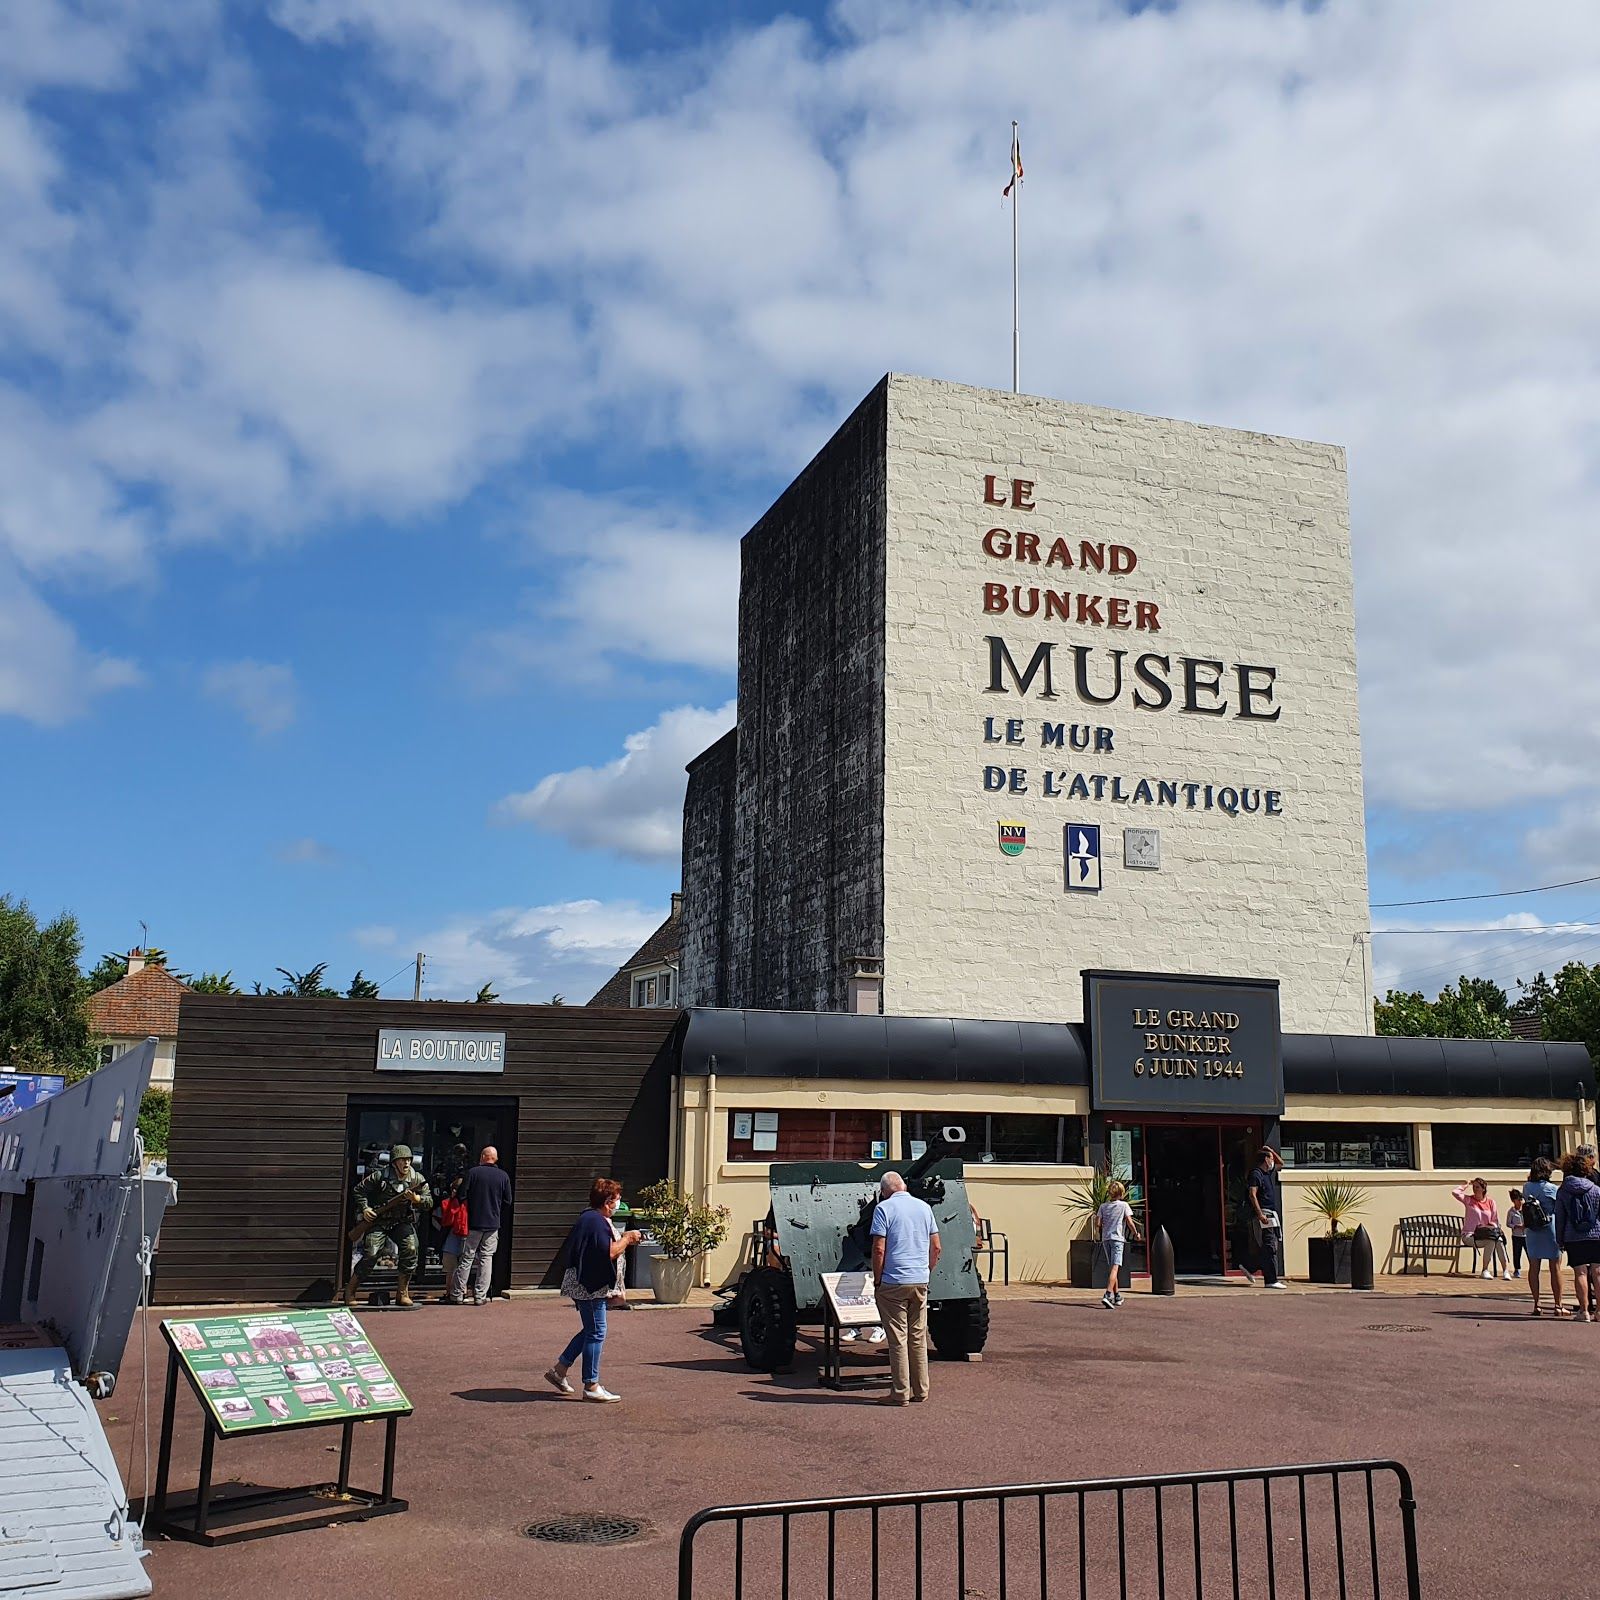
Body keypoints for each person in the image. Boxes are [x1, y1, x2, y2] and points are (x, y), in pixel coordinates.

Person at [546, 1178, 640, 1402]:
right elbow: (607, 1252)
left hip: (587, 1283)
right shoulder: (596, 1221)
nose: (619, 1203)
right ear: (608, 1201)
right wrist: (627, 1238)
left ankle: (559, 1371)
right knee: (597, 1331)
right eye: (617, 1199)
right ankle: (591, 1384)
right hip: (590, 1285)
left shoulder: (590, 1218)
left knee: (590, 1330)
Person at [870, 1171, 941, 1406]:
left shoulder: (883, 1209)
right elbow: (936, 1247)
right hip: (920, 1280)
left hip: (893, 1282)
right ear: (903, 1186)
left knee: (897, 1339)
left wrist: (877, 1280)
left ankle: (900, 1393)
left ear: (884, 1191)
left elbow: (879, 1249)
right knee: (918, 1336)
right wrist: (926, 1271)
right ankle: (921, 1390)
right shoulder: (924, 1208)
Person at [344, 1143, 431, 1308]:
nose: (406, 1163)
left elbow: (429, 1201)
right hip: (380, 1221)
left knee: (411, 1249)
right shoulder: (380, 1176)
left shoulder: (417, 1179)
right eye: (402, 1160)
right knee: (371, 1253)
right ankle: (350, 1290)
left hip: (401, 1222)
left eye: (408, 1160)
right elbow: (359, 1190)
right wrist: (365, 1208)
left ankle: (402, 1293)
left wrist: (416, 1200)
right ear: (394, 1162)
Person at [448, 1146, 513, 1306]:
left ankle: (457, 1294)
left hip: (473, 1222)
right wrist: (496, 1211)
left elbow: (461, 1195)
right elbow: (508, 1201)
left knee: (467, 1257)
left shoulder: (473, 1173)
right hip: (492, 1223)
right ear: (495, 1158)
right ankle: (480, 1296)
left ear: (483, 1156)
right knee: (486, 1258)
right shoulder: (503, 1176)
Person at [1555, 1150, 1600, 1323]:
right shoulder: (1596, 1190)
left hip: (1573, 1236)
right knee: (1597, 1272)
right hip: (1596, 1234)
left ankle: (1584, 1311)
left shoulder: (1563, 1191)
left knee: (1580, 1273)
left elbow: (1560, 1218)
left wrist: (1560, 1240)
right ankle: (1599, 1311)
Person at [1521, 1157, 1566, 1317]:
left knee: (1534, 1267)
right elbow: (1559, 1208)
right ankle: (1558, 1305)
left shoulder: (1526, 1187)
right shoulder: (1551, 1188)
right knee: (1555, 1267)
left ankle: (1537, 1303)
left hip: (1532, 1229)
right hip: (1549, 1227)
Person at [1451, 1177, 1515, 1280]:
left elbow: (1495, 1220)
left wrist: (1491, 1227)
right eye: (1474, 1187)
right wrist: (1466, 1185)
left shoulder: (1490, 1202)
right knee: (1491, 1241)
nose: (1475, 1189)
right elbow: (1455, 1192)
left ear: (1483, 1189)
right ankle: (1485, 1270)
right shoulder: (1468, 1200)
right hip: (1470, 1235)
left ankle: (1505, 1270)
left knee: (1498, 1240)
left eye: (1477, 1187)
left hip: (1486, 1233)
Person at [1095, 1179, 1141, 1309]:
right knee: (1115, 1267)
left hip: (1106, 1239)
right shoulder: (1124, 1206)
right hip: (1118, 1239)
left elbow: (1097, 1223)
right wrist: (1136, 1233)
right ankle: (1108, 1294)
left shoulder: (1103, 1206)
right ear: (1121, 1193)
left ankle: (1117, 1295)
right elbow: (1130, 1222)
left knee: (1112, 1268)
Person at [1245, 1146, 1287, 1288]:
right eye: (1270, 1158)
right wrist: (1260, 1214)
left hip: (1271, 1212)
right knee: (1269, 1244)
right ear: (1265, 1160)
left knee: (1270, 1245)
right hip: (1264, 1213)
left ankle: (1250, 1266)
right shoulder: (1256, 1174)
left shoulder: (1267, 1172)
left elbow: (1282, 1164)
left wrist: (1271, 1150)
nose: (1272, 1160)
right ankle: (1271, 1280)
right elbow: (1252, 1194)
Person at [435, 1176, 468, 1301]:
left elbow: (447, 1220)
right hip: (466, 1235)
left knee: (450, 1268)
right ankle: (462, 1291)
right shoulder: (469, 1203)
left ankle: (449, 1292)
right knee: (463, 1265)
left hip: (451, 1236)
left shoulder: (448, 1202)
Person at [1507, 1189, 1526, 1275]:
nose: (1520, 1201)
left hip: (1526, 1235)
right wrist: (1516, 1226)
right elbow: (1508, 1223)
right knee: (1517, 1253)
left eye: (1521, 1199)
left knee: (1530, 1252)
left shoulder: (1526, 1210)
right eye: (1518, 1200)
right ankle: (1517, 1269)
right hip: (1516, 1235)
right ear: (1513, 1201)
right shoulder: (1511, 1212)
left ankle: (1534, 1267)